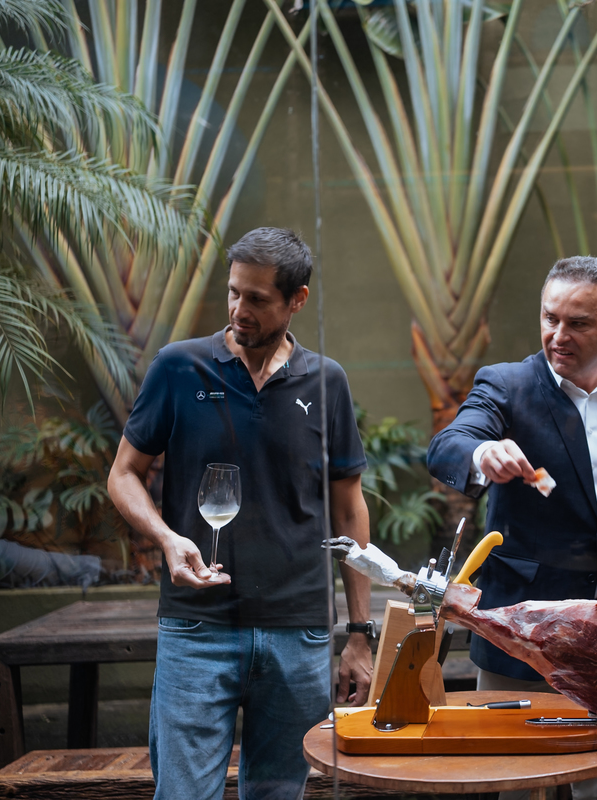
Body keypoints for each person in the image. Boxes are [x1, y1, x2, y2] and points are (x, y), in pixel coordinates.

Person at [108, 228, 374, 800]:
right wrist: (165, 536)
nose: (238, 309)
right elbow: (123, 473)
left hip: (299, 632)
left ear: (297, 300)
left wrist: (358, 633)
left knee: (279, 794)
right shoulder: (179, 368)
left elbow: (349, 510)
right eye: (233, 292)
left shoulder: (326, 381)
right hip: (196, 629)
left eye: (257, 298)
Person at [427, 255, 597, 800]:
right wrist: (481, 453)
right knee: (514, 782)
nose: (558, 335)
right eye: (550, 318)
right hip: (518, 625)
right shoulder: (506, 384)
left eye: (578, 323)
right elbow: (449, 443)